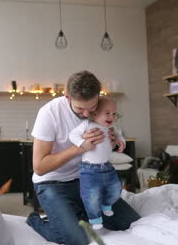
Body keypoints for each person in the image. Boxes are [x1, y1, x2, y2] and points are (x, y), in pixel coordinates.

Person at [26, 71, 140, 245]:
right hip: (52, 184)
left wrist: (113, 140)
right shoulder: (49, 113)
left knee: (129, 221)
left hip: (86, 180)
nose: (87, 114)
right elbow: (40, 167)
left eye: (92, 108)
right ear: (67, 96)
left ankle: (78, 212)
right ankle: (35, 220)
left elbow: (107, 133)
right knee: (76, 238)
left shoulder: (101, 107)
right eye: (80, 109)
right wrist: (79, 148)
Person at [69, 96, 123, 230]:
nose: (111, 116)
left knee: (116, 189)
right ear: (94, 113)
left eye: (114, 113)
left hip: (107, 167)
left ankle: (106, 204)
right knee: (91, 195)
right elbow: (72, 135)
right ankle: (95, 219)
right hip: (89, 170)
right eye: (107, 113)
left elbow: (120, 135)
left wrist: (120, 141)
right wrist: (82, 143)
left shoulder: (112, 127)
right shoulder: (87, 125)